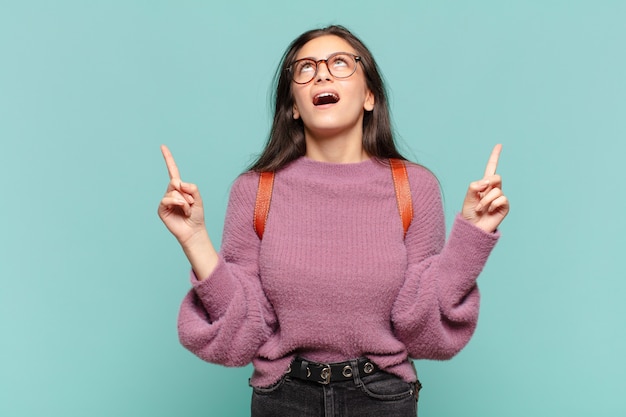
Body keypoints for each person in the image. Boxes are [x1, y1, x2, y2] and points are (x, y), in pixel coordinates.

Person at [158, 25, 509, 417]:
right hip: (283, 398)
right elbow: (243, 332)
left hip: (382, 398)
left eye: (340, 63)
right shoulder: (255, 191)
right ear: (293, 104)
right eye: (305, 68)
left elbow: (423, 329)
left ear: (370, 95)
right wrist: (194, 240)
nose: (322, 73)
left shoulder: (413, 187)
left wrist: (472, 236)